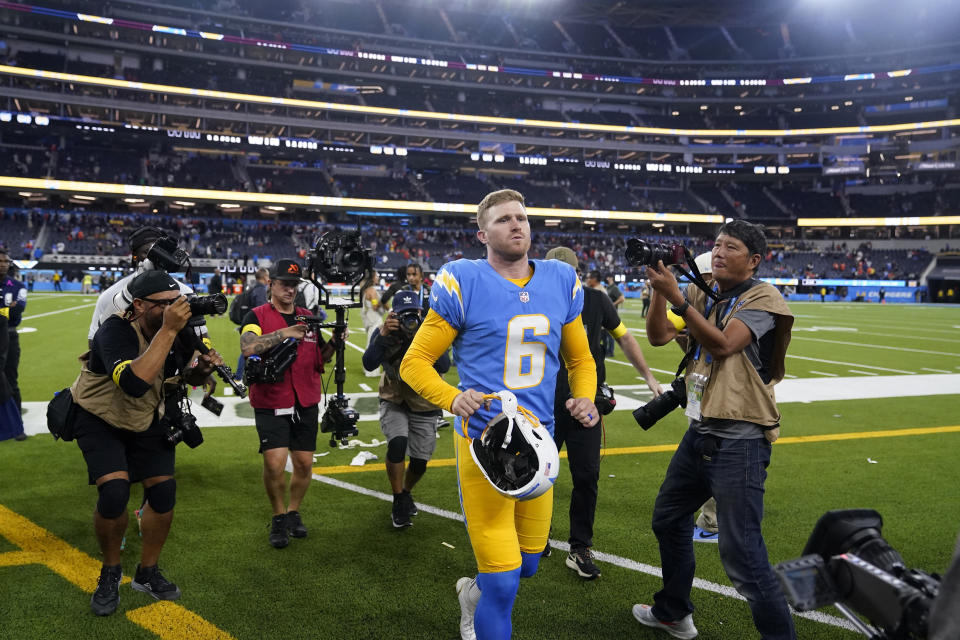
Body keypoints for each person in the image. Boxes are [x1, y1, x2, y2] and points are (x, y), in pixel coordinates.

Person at [400, 189, 598, 640]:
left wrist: (584, 397)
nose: (517, 225)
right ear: (482, 233)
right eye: (504, 219)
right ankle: (482, 602)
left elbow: (581, 361)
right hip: (484, 443)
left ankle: (472, 593)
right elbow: (414, 363)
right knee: (505, 579)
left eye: (522, 218)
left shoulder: (560, 279)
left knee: (528, 565)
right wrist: (453, 398)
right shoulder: (464, 280)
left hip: (539, 443)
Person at [636, 219, 795, 640]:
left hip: (741, 439)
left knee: (742, 554)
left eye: (731, 247)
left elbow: (725, 344)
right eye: (717, 244)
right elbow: (657, 337)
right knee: (669, 519)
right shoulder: (701, 291)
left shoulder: (764, 297)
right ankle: (673, 612)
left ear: (755, 260)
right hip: (701, 430)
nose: (719, 252)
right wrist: (659, 291)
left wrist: (677, 298)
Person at [70, 270, 224, 616]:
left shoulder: (179, 332)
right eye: (165, 304)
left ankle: (147, 572)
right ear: (139, 305)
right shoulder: (115, 329)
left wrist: (202, 371)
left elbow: (181, 379)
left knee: (164, 492)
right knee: (114, 492)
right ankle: (110, 572)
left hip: (148, 415)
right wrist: (170, 330)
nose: (175, 309)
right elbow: (134, 383)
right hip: (100, 417)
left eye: (177, 302)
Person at [544, 247, 662, 580]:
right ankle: (536, 535)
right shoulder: (532, 299)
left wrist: (649, 377)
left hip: (586, 403)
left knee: (587, 476)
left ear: (576, 274)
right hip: (542, 403)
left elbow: (624, 339)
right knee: (536, 472)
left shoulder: (595, 300)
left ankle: (580, 546)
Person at [240, 259, 338, 549]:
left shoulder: (308, 316)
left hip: (304, 397)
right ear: (271, 284)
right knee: (274, 463)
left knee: (305, 463)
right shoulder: (255, 314)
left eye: (294, 284)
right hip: (271, 398)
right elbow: (247, 347)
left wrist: (336, 343)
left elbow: (322, 358)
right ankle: (278, 516)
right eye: (285, 283)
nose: (290, 289)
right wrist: (286, 332)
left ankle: (293, 511)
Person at [362, 289, 450, 528]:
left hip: (424, 402)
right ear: (393, 314)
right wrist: (381, 337)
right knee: (397, 443)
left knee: (420, 461)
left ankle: (406, 491)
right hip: (394, 397)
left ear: (421, 313)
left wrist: (419, 335)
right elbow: (368, 363)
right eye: (404, 315)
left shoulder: (431, 331)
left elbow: (444, 364)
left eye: (413, 315)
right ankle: (398, 497)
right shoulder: (384, 332)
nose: (409, 320)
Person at [88, 227, 193, 349]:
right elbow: (94, 343)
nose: (153, 259)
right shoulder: (110, 296)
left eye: (159, 253)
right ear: (134, 256)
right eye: (146, 253)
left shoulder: (185, 293)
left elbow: (201, 338)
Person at [233, 268, 270, 381]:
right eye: (267, 276)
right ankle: (240, 377)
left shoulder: (253, 287)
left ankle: (239, 376)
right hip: (255, 325)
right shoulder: (260, 290)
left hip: (249, 323)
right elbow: (261, 309)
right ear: (264, 277)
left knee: (248, 349)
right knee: (250, 350)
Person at [361, 270, 386, 377]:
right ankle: (371, 370)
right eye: (376, 276)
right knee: (374, 343)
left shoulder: (365, 289)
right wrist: (383, 303)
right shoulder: (372, 291)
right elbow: (375, 306)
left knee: (370, 342)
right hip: (375, 319)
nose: (378, 277)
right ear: (372, 277)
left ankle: (367, 367)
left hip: (369, 318)